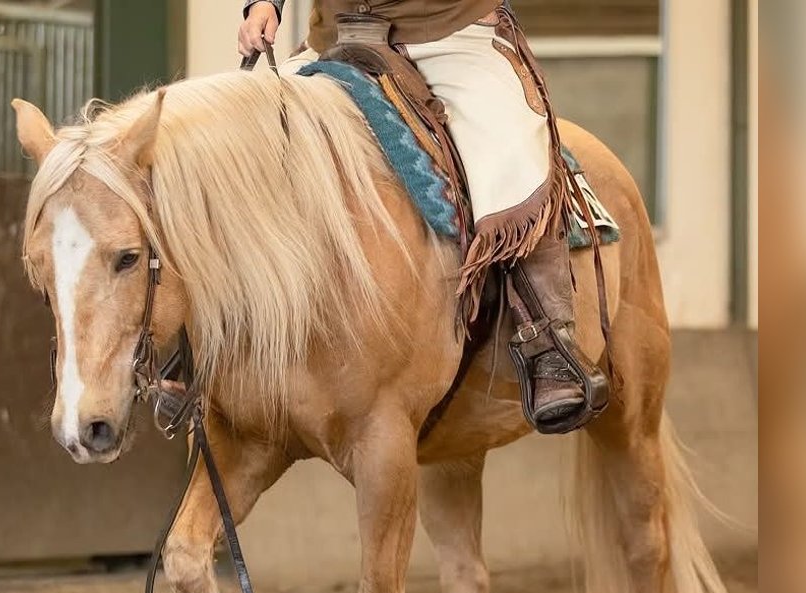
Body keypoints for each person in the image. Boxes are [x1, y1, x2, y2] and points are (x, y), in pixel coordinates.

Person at [237, 1, 607, 434]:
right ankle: (209, 341)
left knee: (512, 150)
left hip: (446, 31)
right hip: (338, 36)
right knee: (244, 147)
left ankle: (545, 338)